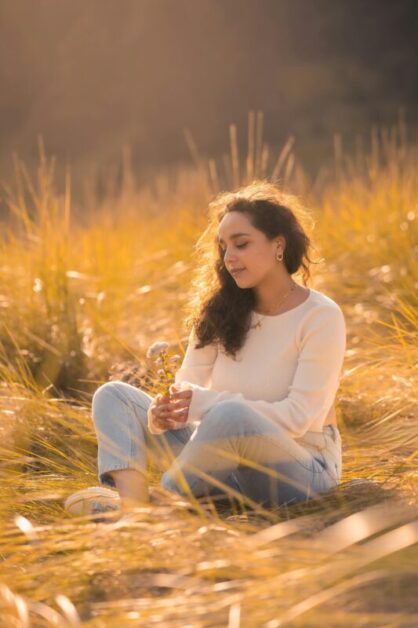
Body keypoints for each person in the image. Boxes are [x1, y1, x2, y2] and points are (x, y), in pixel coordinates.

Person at [64, 180, 346, 518]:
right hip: (220, 465)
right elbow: (186, 390)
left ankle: (154, 513)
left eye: (241, 244)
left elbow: (298, 419)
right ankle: (134, 508)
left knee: (231, 416)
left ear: (278, 246)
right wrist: (161, 415)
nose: (230, 257)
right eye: (224, 247)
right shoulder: (220, 311)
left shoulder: (320, 316)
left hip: (299, 470)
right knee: (113, 396)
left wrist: (205, 405)